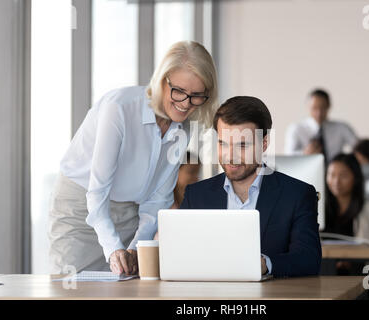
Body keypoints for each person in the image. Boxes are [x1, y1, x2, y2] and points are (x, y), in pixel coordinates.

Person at [49, 41, 219, 275]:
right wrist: (113, 249)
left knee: (127, 282)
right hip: (82, 207)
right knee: (75, 286)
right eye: (179, 92)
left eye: (197, 96)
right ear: (162, 81)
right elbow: (97, 192)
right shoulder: (119, 108)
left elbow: (158, 198)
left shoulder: (183, 127)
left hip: (130, 208)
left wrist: (135, 247)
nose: (185, 104)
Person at [180, 96, 322, 277]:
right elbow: (181, 254)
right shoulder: (196, 196)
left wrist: (265, 264)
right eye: (223, 144)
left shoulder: (297, 194)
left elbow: (309, 259)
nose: (231, 156)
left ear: (263, 144)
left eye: (242, 145)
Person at [324, 153, 369, 275]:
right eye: (331, 175)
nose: (336, 181)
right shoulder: (318, 206)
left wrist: (352, 260)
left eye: (343, 176)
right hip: (325, 271)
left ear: (355, 178)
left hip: (362, 272)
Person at [285, 89, 358, 163]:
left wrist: (348, 160)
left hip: (335, 172)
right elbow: (287, 156)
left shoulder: (341, 128)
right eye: (314, 108)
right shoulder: (296, 129)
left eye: (323, 108)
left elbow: (359, 150)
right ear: (308, 106)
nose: (319, 113)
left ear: (329, 106)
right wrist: (304, 153)